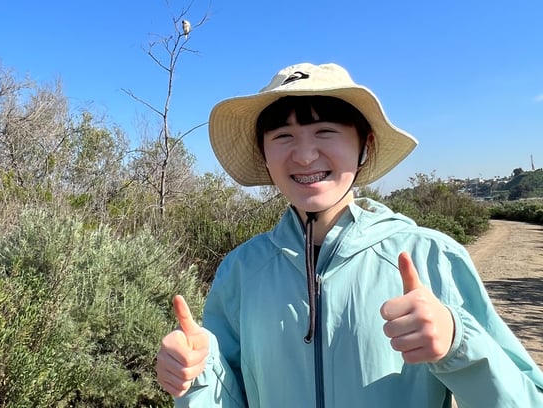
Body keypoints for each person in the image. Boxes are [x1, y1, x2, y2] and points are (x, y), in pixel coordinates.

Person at [155, 62, 543, 407]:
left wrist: (458, 343)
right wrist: (198, 375)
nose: (304, 156)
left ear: (364, 146)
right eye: (283, 136)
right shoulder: (242, 270)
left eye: (325, 131)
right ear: (264, 153)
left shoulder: (431, 256)